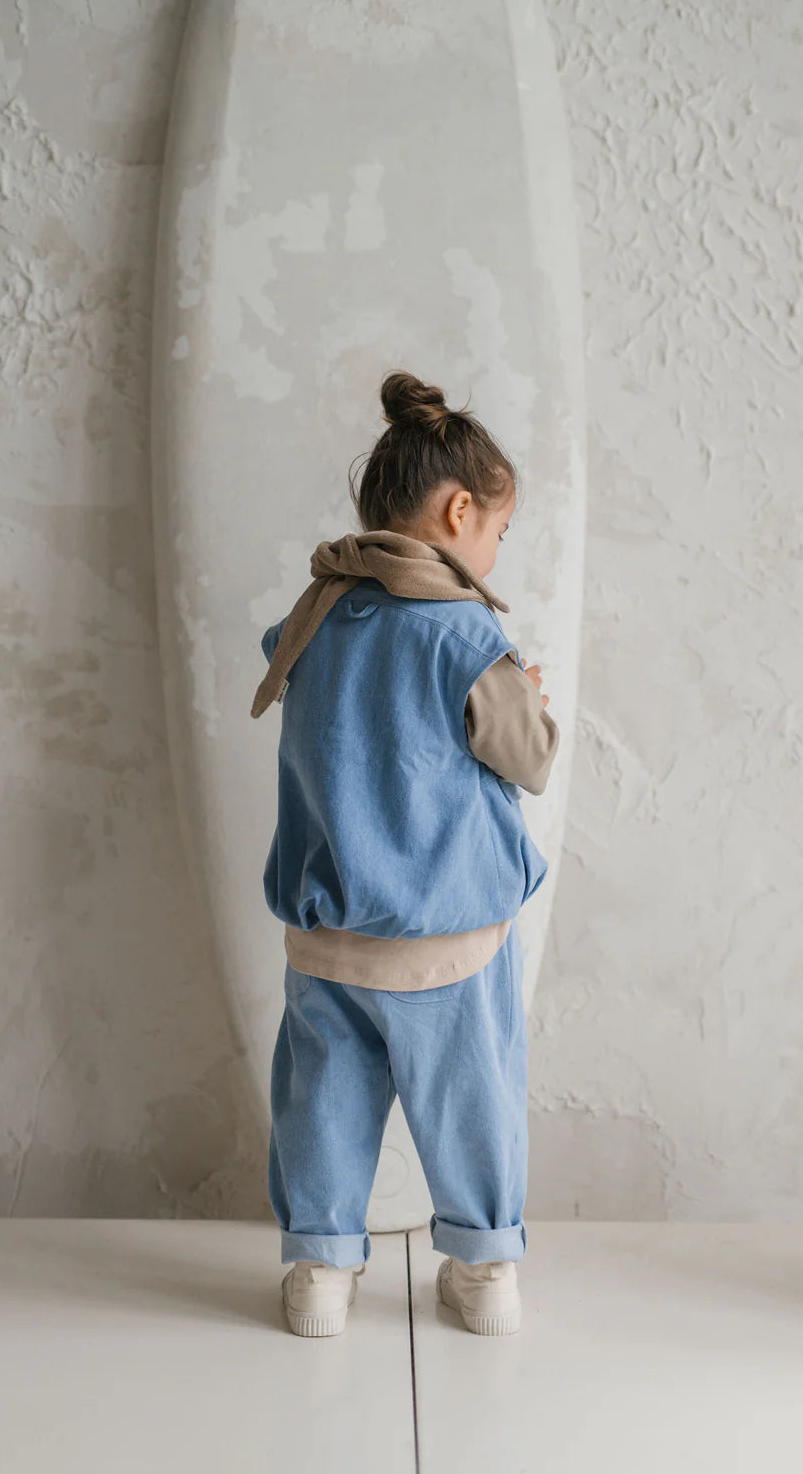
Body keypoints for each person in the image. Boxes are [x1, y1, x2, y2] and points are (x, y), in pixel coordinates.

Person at [250, 370, 560, 1337]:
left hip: (329, 937)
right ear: (460, 511)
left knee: (323, 1106)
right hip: (447, 939)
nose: (494, 551)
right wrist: (523, 695)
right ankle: (484, 1269)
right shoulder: (464, 630)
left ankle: (320, 1269)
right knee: (472, 1106)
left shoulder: (316, 615)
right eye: (499, 531)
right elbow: (529, 759)